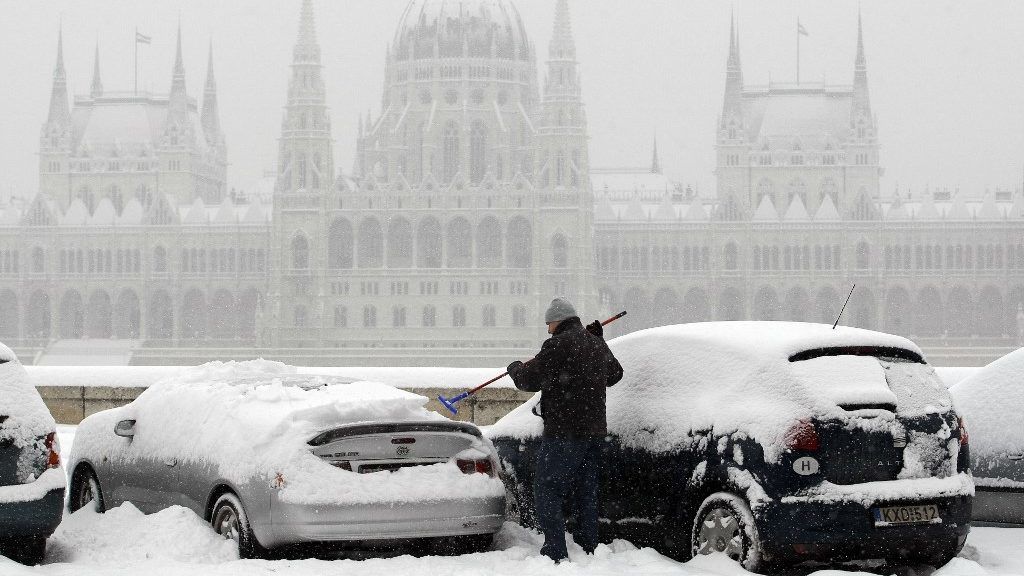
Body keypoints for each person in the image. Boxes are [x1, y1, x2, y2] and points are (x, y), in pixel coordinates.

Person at [506, 297, 624, 563]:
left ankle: (555, 551)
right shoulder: (594, 343)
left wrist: (514, 368)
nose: (548, 329)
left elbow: (527, 381)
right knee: (586, 491)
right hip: (594, 432)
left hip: (563, 432)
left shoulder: (557, 345)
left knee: (547, 490)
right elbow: (615, 375)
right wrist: (600, 342)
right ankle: (588, 546)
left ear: (557, 321)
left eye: (549, 324)